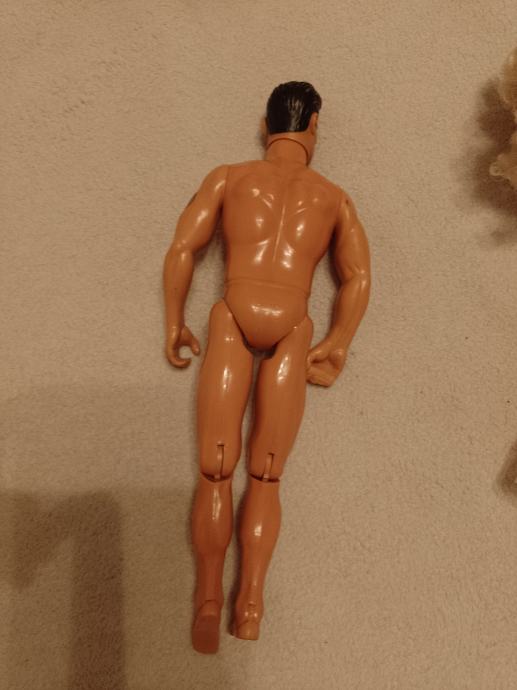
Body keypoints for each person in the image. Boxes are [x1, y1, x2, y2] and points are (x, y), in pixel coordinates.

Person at [163, 82, 371, 653]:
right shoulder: (333, 197)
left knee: (215, 468)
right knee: (266, 473)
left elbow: (184, 248)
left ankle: (209, 598)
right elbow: (357, 276)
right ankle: (250, 604)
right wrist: (338, 342)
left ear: (266, 126)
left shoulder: (230, 177)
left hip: (234, 313)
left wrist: (175, 320)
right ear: (314, 127)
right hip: (293, 324)